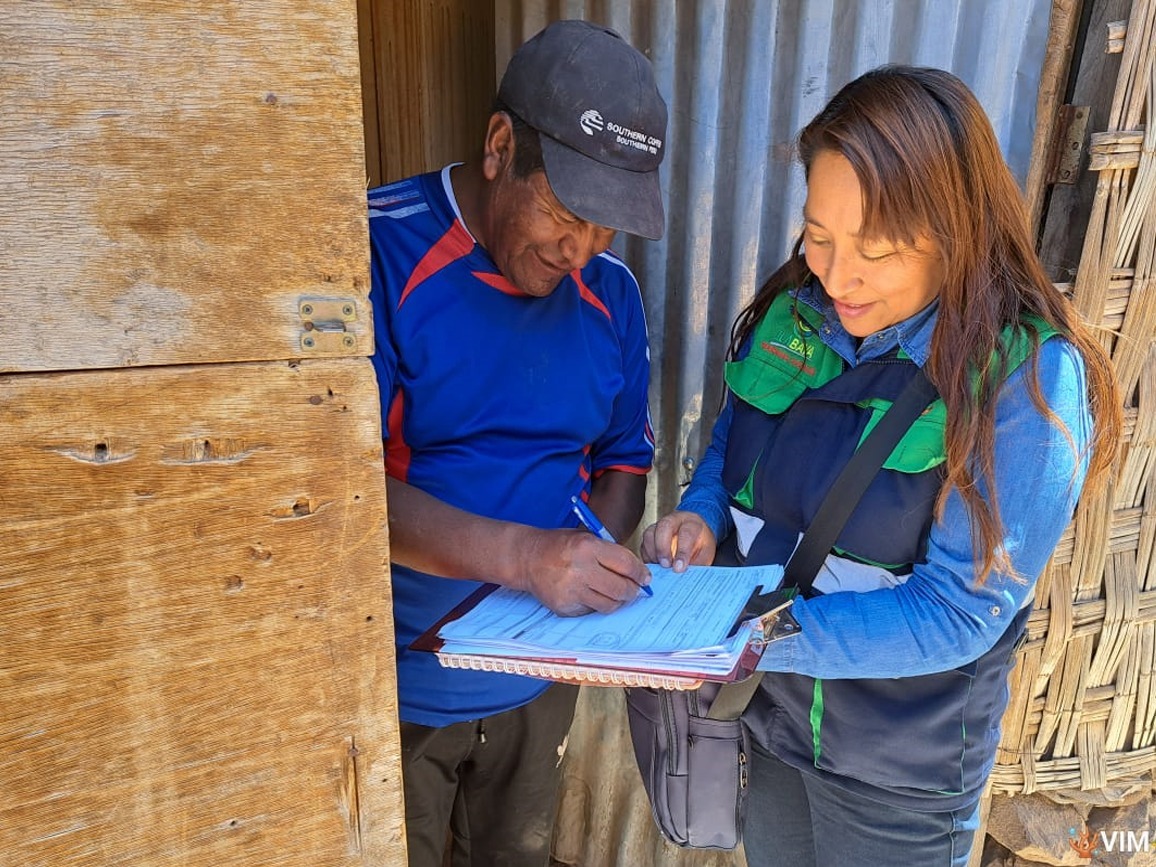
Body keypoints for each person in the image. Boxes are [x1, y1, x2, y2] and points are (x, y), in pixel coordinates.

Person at [640, 65, 1121, 867]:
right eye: (819, 235)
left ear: (957, 234)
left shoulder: (1024, 379)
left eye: (879, 250)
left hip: (902, 774)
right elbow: (733, 441)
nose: (836, 275)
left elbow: (958, 613)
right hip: (774, 721)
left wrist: (748, 636)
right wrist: (700, 512)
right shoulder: (797, 311)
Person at [365, 19, 668, 867]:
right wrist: (530, 558)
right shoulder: (378, 253)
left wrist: (590, 563)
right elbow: (342, 496)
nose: (581, 250)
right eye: (568, 213)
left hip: (540, 682)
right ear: (500, 145)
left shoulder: (610, 295)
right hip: (401, 685)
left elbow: (623, 460)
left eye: (607, 227)